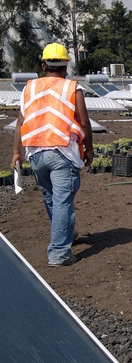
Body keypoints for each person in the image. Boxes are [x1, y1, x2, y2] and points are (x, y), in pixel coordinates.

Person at [12, 43, 94, 267]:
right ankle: (59, 253)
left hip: (36, 154)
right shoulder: (72, 88)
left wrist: (16, 153)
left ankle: (66, 233)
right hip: (62, 153)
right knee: (62, 202)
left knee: (52, 199)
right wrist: (89, 149)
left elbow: (21, 122)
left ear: (43, 65)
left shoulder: (29, 88)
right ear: (66, 66)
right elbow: (84, 124)